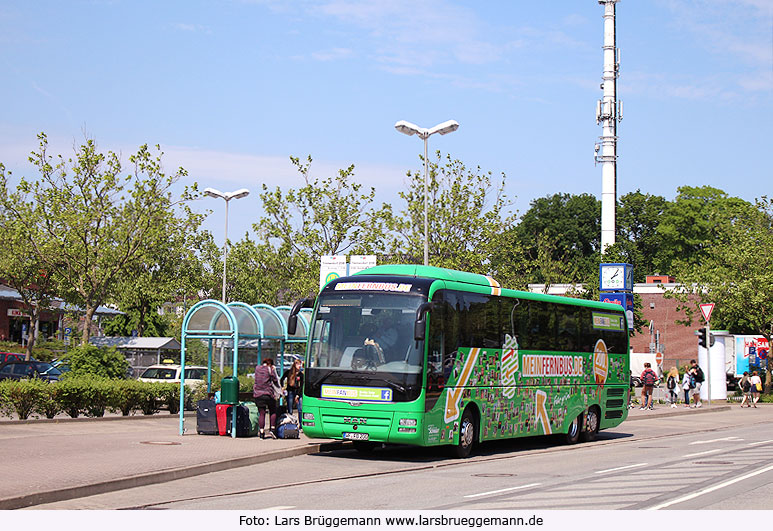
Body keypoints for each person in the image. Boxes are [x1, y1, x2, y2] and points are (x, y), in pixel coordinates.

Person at [253, 358, 280, 439]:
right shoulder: (269, 369)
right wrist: (273, 370)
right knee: (273, 410)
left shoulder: (257, 368)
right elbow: (275, 380)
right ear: (270, 364)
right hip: (267, 394)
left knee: (262, 413)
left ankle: (261, 432)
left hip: (258, 394)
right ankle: (272, 429)